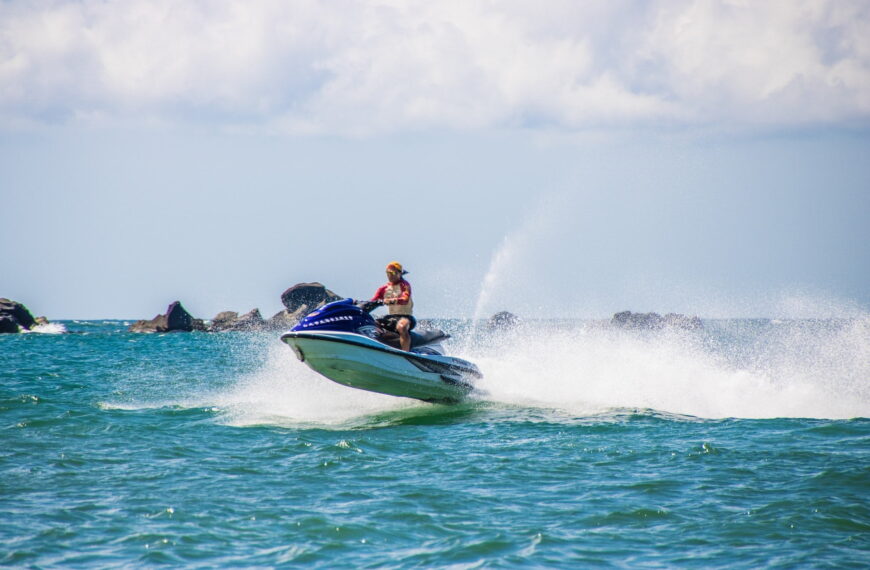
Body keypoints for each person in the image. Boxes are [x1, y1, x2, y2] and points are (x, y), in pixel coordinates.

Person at [371, 261, 416, 351]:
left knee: (401, 327)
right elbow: (373, 301)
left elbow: (405, 299)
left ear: (400, 273)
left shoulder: (405, 285)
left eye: (393, 273)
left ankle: (405, 353)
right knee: (371, 323)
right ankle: (379, 346)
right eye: (388, 273)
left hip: (406, 317)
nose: (390, 275)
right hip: (392, 317)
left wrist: (392, 300)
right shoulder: (383, 289)